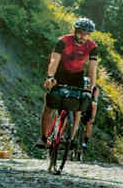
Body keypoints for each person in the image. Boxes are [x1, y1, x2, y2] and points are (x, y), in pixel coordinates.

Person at [38, 17, 98, 149]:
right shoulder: (63, 41)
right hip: (60, 73)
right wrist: (50, 77)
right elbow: (54, 60)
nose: (83, 37)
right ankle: (43, 137)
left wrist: (91, 88)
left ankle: (70, 139)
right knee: (49, 106)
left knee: (78, 108)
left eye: (86, 34)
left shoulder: (92, 46)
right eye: (80, 33)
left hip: (77, 76)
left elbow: (92, 69)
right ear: (75, 31)